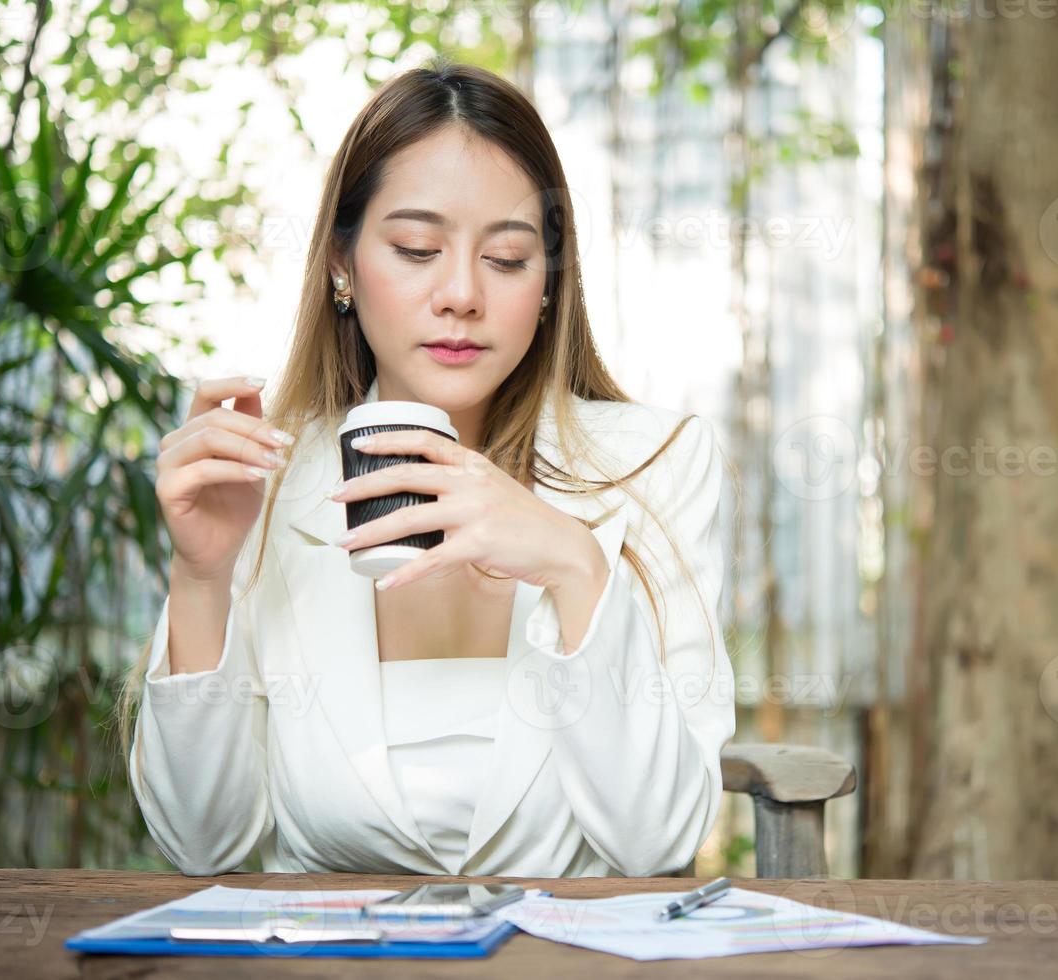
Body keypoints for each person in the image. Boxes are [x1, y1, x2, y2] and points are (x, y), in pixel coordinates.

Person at [116, 59, 736, 878]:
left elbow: (655, 842)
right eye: (415, 248)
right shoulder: (262, 480)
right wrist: (201, 579)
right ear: (341, 263)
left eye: (508, 259)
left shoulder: (656, 464)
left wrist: (576, 566)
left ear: (549, 281)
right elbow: (204, 846)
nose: (460, 295)